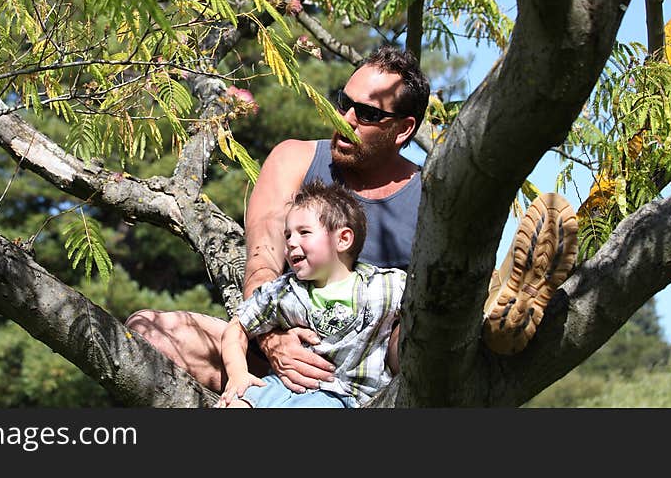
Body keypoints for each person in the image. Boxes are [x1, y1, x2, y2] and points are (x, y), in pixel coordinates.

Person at [126, 45, 577, 396]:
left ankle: (491, 321)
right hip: (286, 349)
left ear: (403, 130)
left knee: (419, 326)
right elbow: (263, 261)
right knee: (148, 331)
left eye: (366, 114)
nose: (344, 119)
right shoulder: (294, 160)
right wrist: (272, 342)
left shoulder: (433, 197)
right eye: (344, 102)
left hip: (379, 367)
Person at [216, 180, 406, 408]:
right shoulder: (283, 292)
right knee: (235, 405)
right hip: (280, 386)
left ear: (343, 239)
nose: (290, 243)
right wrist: (238, 376)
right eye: (287, 235)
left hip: (340, 396)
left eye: (303, 232)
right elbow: (237, 327)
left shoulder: (385, 287)